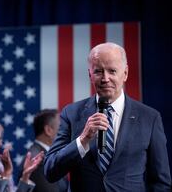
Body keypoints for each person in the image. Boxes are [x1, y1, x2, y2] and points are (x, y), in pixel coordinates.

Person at [44, 42, 171, 191]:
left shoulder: (150, 118)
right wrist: (82, 140)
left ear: (125, 73)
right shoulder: (71, 113)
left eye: (112, 71)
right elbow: (50, 171)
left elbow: (161, 182)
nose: (105, 78)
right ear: (90, 75)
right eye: (98, 71)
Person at [20, 109, 68, 192]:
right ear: (48, 130)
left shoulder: (48, 155)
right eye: (61, 127)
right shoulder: (37, 160)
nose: (65, 131)